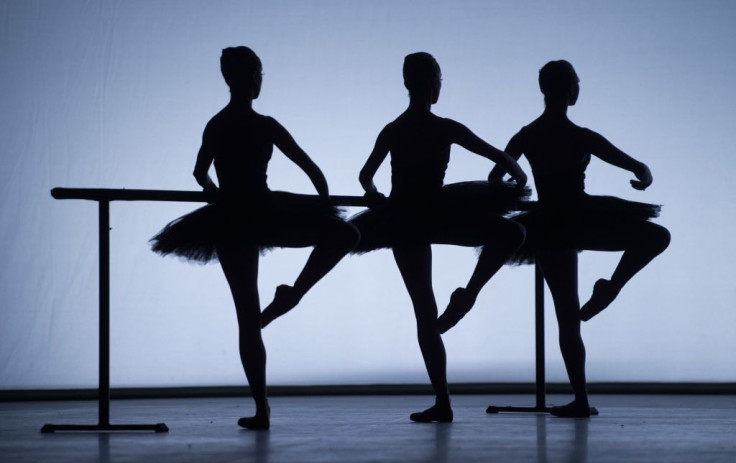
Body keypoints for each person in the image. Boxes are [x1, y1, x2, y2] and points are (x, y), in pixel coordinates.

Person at [150, 47, 359, 429]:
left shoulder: (216, 124)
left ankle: (262, 409)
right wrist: (323, 202)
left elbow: (199, 173)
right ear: (251, 78)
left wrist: (218, 196)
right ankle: (293, 294)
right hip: (263, 210)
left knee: (246, 315)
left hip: (233, 214)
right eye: (260, 74)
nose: (260, 81)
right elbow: (310, 168)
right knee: (345, 232)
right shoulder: (265, 124)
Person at [351, 52, 528, 422]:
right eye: (438, 80)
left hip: (405, 216)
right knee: (511, 232)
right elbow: (499, 156)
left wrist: (373, 196)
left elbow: (365, 176)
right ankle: (469, 294)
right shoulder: (445, 127)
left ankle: (443, 400)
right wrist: (518, 177)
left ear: (406, 83)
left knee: (424, 310)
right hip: (435, 211)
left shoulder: (394, 129)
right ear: (433, 85)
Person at [488, 60, 671, 417]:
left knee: (567, 318)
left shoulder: (528, 134)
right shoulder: (582, 136)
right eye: (577, 82)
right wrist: (644, 180)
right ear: (569, 89)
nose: (578, 88)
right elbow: (639, 168)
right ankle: (613, 287)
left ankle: (582, 399)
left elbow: (496, 175)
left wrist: (520, 182)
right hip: (580, 215)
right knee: (655, 235)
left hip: (551, 222)